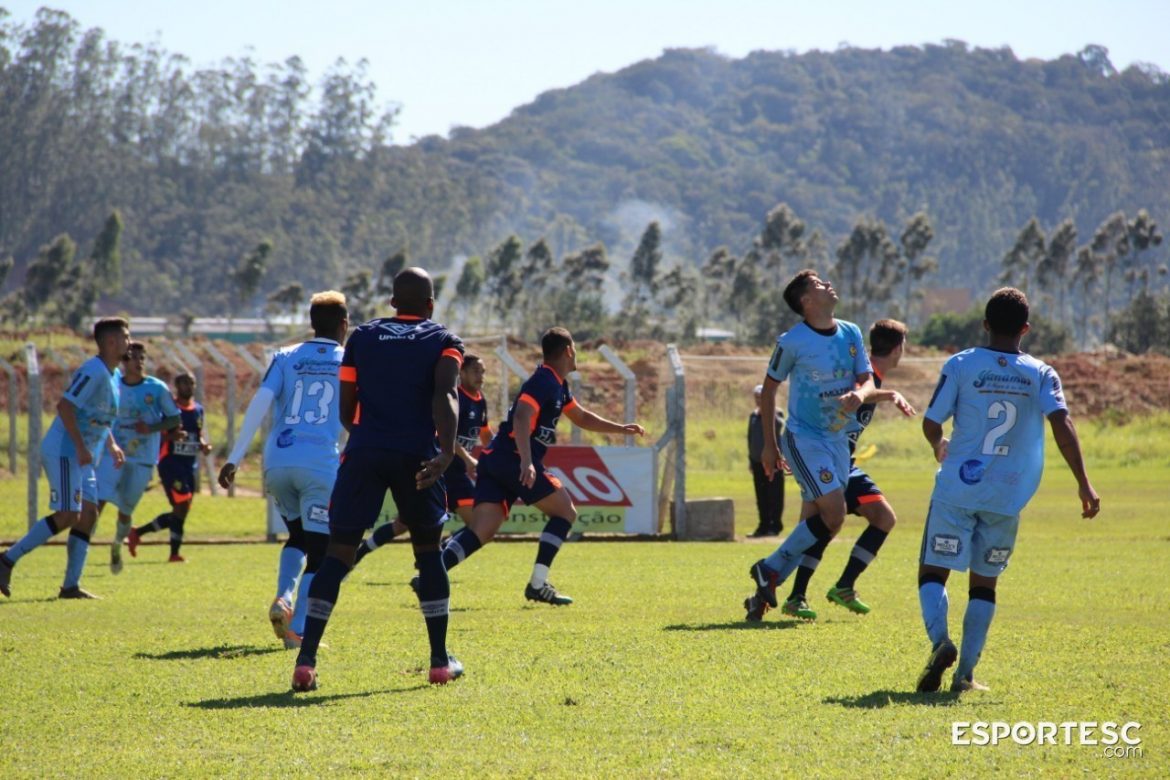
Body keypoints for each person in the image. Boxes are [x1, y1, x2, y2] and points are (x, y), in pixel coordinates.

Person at [915, 288, 1099, 693]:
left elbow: (931, 421)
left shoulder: (961, 364)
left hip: (957, 490)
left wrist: (937, 443)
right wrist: (1083, 482)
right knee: (984, 583)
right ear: (1026, 329)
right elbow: (1062, 424)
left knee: (933, 571)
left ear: (984, 324)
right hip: (1007, 496)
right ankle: (964, 675)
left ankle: (940, 642)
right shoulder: (1042, 373)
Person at [291, 267, 464, 691]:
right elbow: (445, 394)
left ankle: (306, 660)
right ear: (430, 305)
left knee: (338, 555)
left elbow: (346, 404)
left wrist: (365, 436)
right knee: (428, 553)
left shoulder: (363, 338)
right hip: (418, 454)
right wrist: (446, 451)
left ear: (391, 303)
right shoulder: (443, 341)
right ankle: (440, 662)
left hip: (365, 451)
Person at [436, 327, 645, 606]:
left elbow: (581, 416)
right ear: (569, 350)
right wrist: (526, 461)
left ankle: (432, 574)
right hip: (512, 459)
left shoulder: (557, 384)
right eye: (575, 350)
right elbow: (522, 417)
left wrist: (620, 429)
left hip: (496, 459)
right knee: (565, 513)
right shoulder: (544, 380)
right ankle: (537, 584)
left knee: (482, 529)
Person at [751, 319, 916, 622]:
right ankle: (800, 586)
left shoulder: (871, 379)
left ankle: (789, 593)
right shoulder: (861, 379)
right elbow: (848, 396)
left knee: (824, 526)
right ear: (897, 350)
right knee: (840, 521)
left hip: (839, 459)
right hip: (824, 455)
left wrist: (890, 394)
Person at [740, 270, 876, 619]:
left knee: (824, 522)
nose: (829, 284)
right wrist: (770, 446)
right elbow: (769, 390)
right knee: (835, 512)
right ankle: (770, 571)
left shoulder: (851, 332)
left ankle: (765, 586)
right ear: (807, 301)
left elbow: (867, 379)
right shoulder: (792, 341)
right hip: (804, 438)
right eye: (819, 285)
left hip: (838, 440)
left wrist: (859, 395)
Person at [218, 291, 348, 650]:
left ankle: (283, 598)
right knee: (321, 552)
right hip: (319, 465)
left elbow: (261, 401)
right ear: (344, 325)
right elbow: (356, 415)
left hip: (277, 462)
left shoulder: (285, 356)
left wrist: (235, 456)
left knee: (299, 538)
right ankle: (298, 632)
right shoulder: (350, 359)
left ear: (310, 323)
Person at [0, 318, 129, 599]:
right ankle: (6, 560)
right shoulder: (94, 371)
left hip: (84, 455)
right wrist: (82, 447)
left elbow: (99, 415)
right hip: (65, 450)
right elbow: (65, 406)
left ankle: (70, 586)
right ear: (111, 342)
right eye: (125, 337)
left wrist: (112, 444)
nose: (128, 342)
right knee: (69, 515)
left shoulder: (114, 375)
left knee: (89, 514)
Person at [352, 352, 493, 563]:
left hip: (456, 472)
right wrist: (467, 458)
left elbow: (486, 435)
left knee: (472, 523)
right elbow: (445, 434)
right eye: (475, 371)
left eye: (482, 372)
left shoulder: (480, 402)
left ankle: (437, 556)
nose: (480, 376)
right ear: (461, 373)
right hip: (441, 468)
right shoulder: (456, 398)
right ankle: (364, 552)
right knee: (410, 523)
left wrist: (494, 454)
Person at [95, 342, 181, 575]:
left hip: (143, 459)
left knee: (126, 509)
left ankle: (117, 544)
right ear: (123, 360)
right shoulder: (113, 385)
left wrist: (152, 427)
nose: (139, 361)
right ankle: (83, 544)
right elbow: (99, 416)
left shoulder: (157, 388)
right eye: (134, 357)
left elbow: (174, 420)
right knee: (99, 499)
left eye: (142, 357)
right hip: (113, 456)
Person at [127, 372, 211, 562]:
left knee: (181, 510)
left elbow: (196, 434)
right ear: (176, 386)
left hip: (190, 465)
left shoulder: (198, 409)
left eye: (191, 383)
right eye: (184, 384)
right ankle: (172, 553)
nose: (188, 387)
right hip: (171, 463)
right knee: (181, 506)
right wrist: (170, 437)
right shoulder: (170, 409)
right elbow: (157, 434)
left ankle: (139, 533)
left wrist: (204, 445)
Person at [747, 384, 785, 537]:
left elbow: (779, 427)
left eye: (761, 398)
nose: (758, 401)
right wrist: (750, 459)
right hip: (757, 461)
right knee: (761, 495)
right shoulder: (753, 416)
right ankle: (762, 525)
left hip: (775, 461)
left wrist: (769, 411)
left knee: (775, 494)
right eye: (756, 398)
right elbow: (750, 438)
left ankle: (774, 526)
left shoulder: (777, 414)